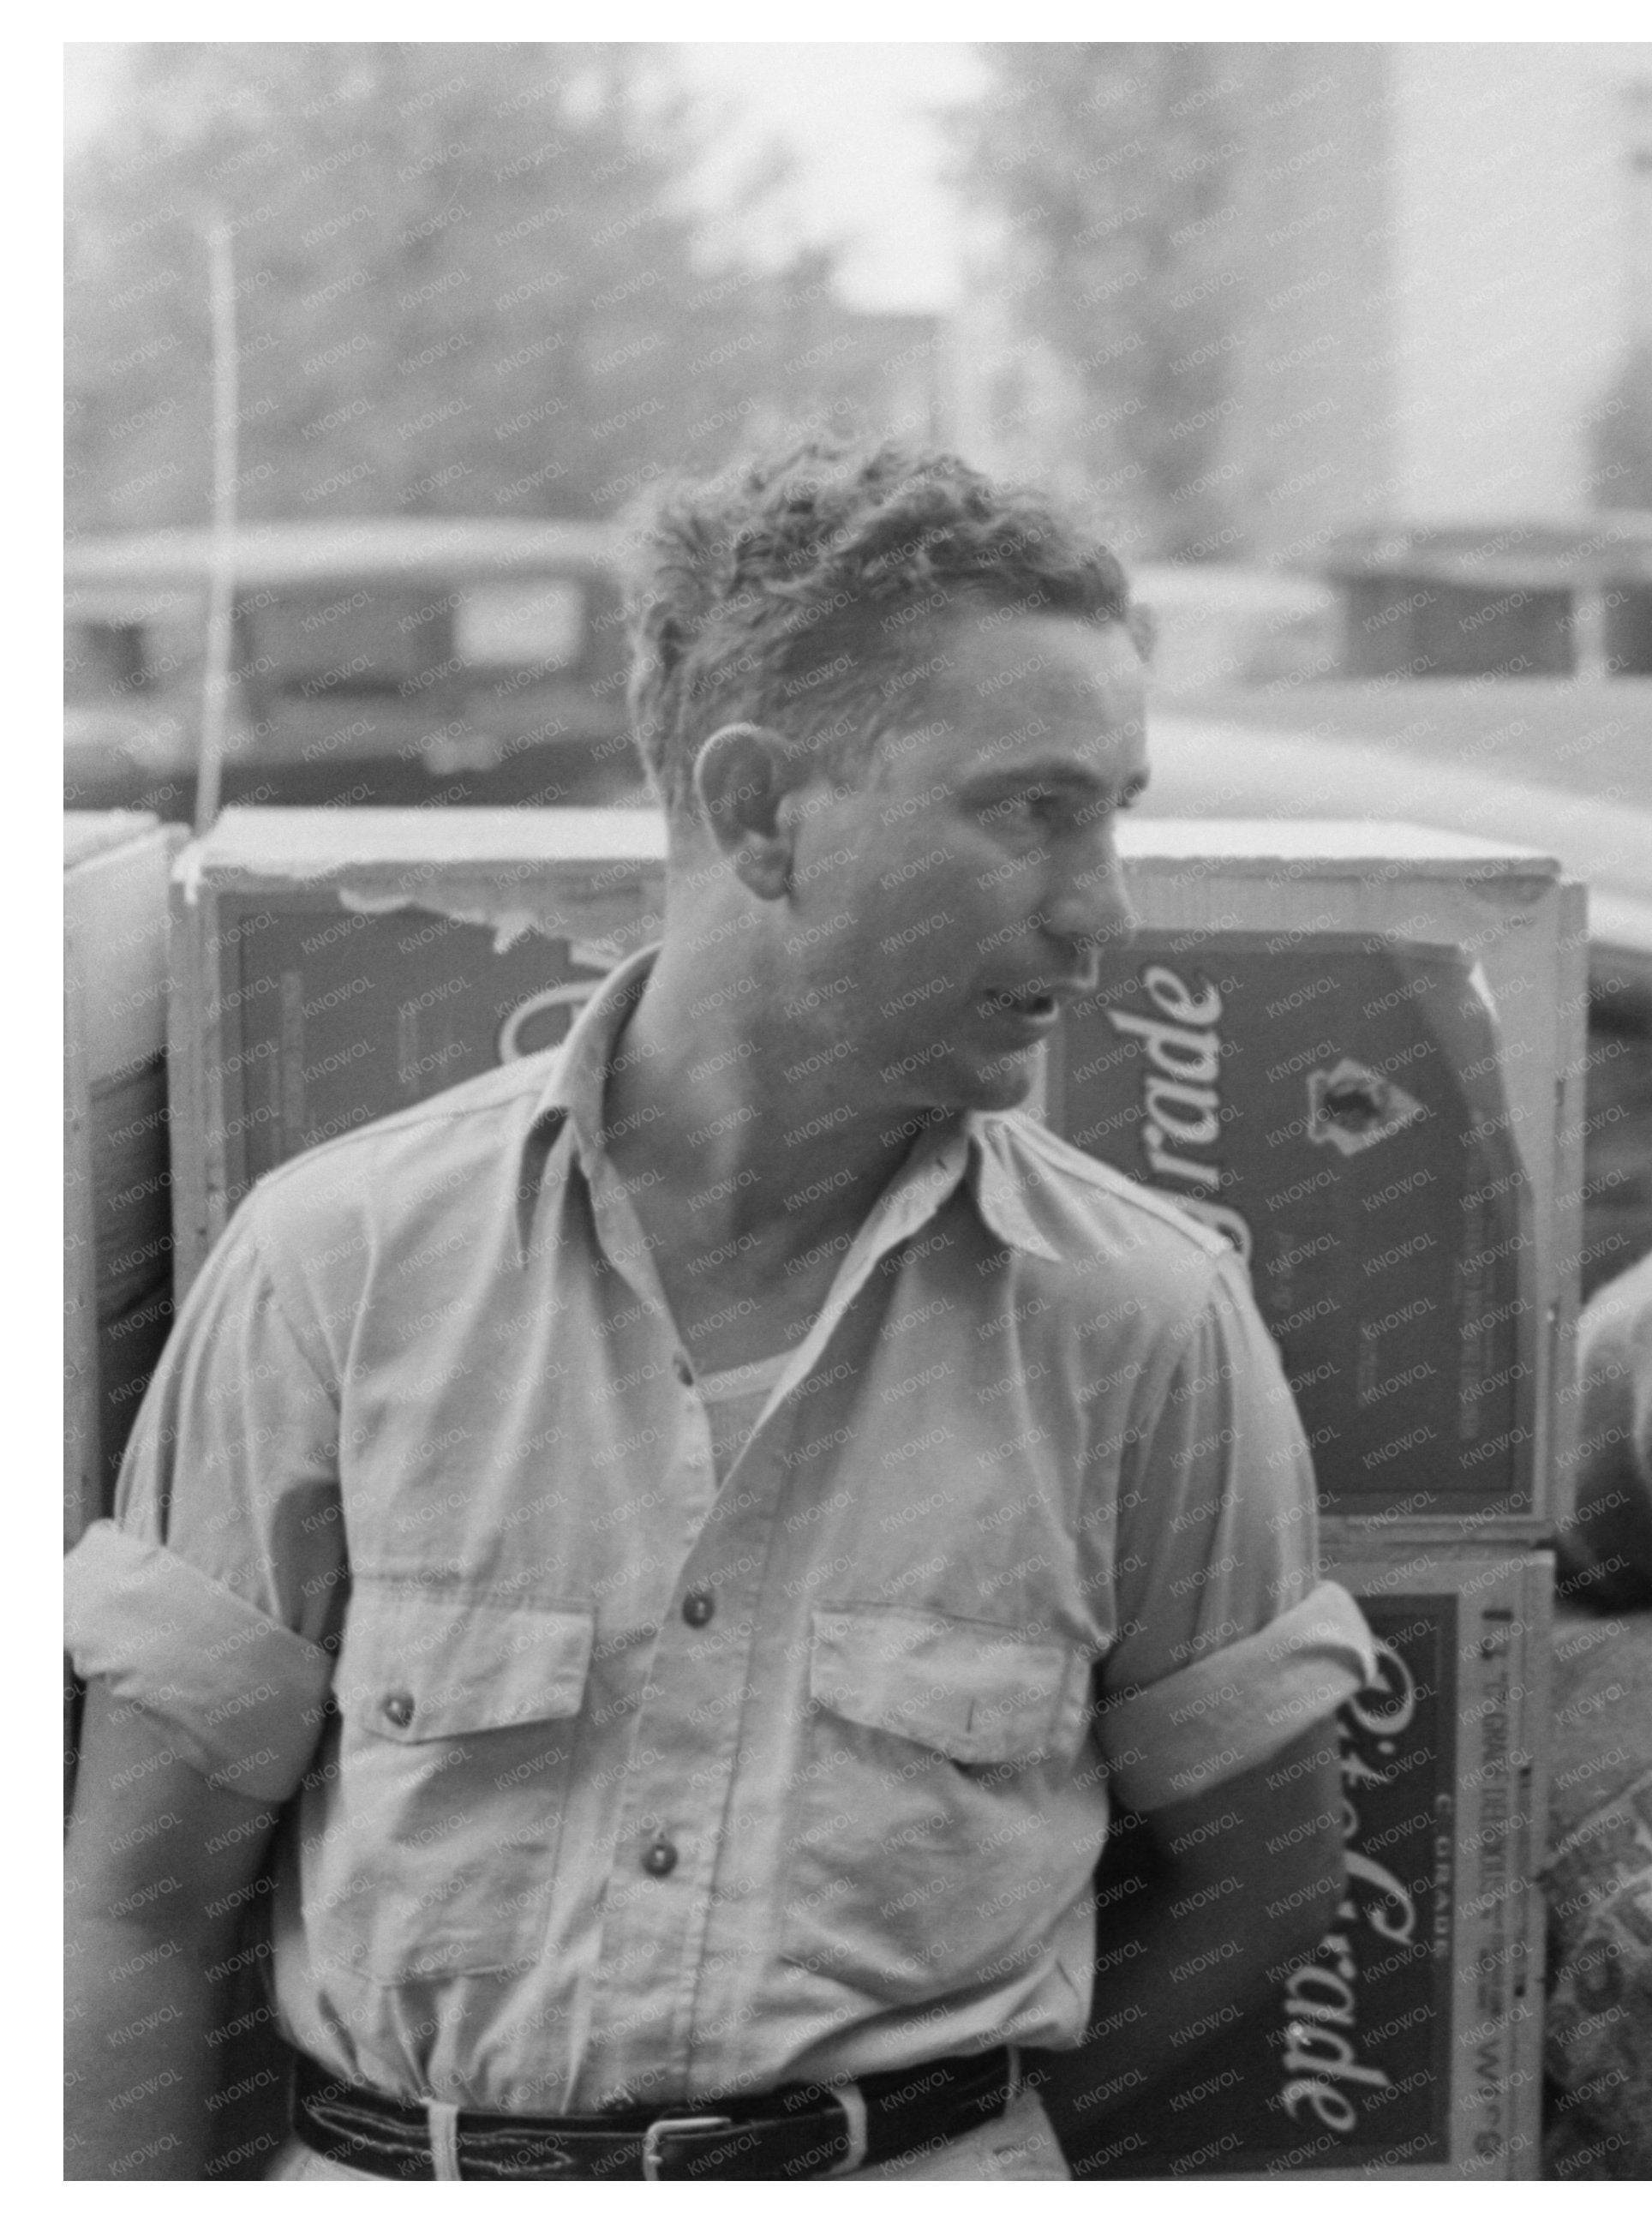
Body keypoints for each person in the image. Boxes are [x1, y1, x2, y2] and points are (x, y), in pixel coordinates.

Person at [63, 440, 1374, 2180]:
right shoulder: (342, 1265)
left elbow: (1268, 1886)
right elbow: (137, 1916)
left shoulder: (1145, 1319)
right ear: (760, 810)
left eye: (1114, 810)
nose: (1105, 911)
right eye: (1033, 809)